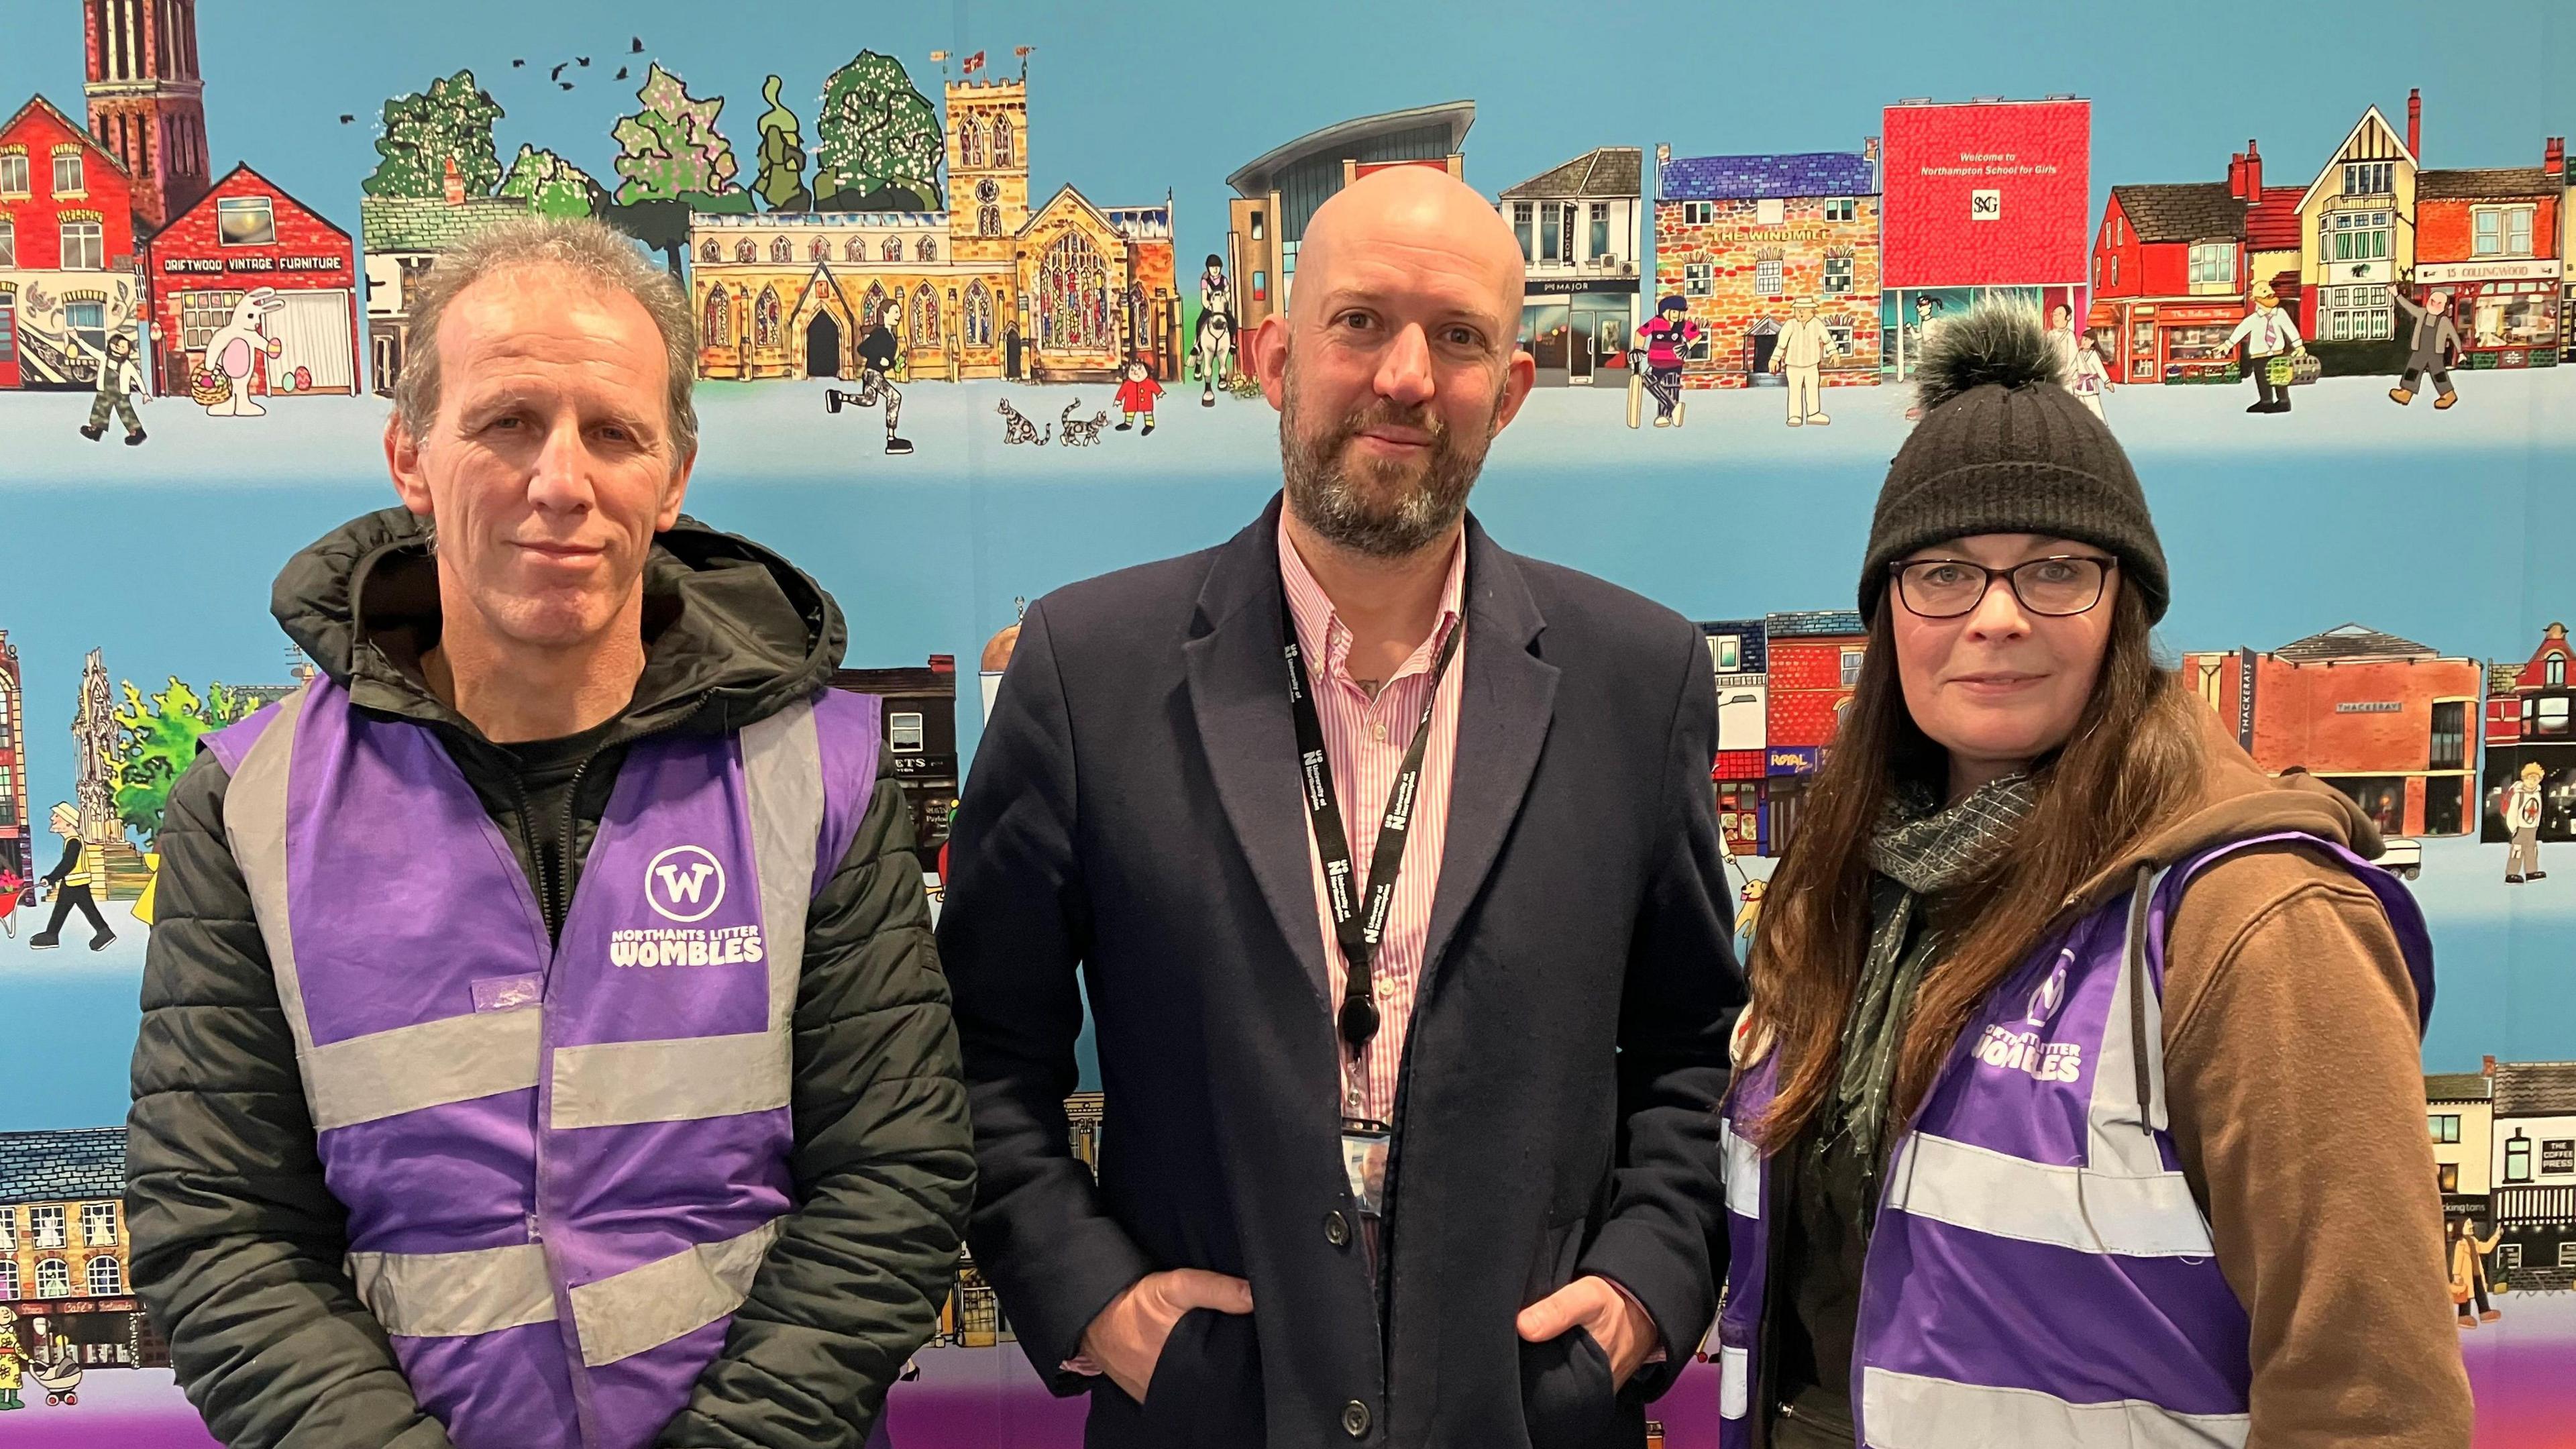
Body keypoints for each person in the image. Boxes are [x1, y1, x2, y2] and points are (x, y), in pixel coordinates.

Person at [124, 216, 973, 1449]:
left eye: (613, 433)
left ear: (673, 474)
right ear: (409, 455)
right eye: (507, 422)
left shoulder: (821, 772)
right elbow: (219, 1225)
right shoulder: (249, 808)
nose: (561, 481)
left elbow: (894, 1176)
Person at [943, 165, 1743, 1449]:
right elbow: (978, 1053)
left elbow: (1695, 1047)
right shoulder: (1087, 671)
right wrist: (1095, 1303)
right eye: (1360, 321)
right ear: (1272, 357)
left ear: (1513, 390)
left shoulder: (1635, 682)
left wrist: (1644, 1297)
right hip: (1211, 1413)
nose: (1407, 377)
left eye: (1461, 337)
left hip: (1526, 1410)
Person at [1713, 299, 2469, 1449]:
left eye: (2057, 571)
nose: (1998, 619)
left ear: (2123, 606)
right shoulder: (1840, 890)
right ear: (1890, 613)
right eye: (1946, 573)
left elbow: (2374, 1408)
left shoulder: (2253, 922)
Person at [825, 301, 914, 454]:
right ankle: (891, 440)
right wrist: (879, 358)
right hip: (872, 373)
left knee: (869, 400)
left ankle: (838, 397)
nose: (899, 316)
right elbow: (863, 349)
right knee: (894, 396)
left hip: (875, 373)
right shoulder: (880, 333)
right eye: (895, 312)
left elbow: (887, 362)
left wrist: (895, 364)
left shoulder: (891, 336)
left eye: (899, 313)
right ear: (884, 314)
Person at [28, 802, 114, 953]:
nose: (52, 819)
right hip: (74, 880)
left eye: (57, 816)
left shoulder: (74, 842)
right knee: (77, 908)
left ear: (68, 823)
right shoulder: (72, 841)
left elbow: (68, 864)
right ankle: (102, 932)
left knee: (72, 908)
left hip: (76, 881)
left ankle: (53, 935)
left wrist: (51, 878)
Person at [2222, 282, 2306, 414]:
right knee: (2263, 379)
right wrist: (2227, 345)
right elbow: (2241, 331)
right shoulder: (2253, 319)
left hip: (2278, 352)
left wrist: (2299, 345)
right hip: (2259, 355)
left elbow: (2290, 329)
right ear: (2255, 299)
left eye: (2270, 290)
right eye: (2264, 291)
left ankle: (2283, 401)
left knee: (2280, 376)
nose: (2270, 293)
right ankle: (2266, 401)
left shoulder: (2280, 314)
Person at [2390, 282, 2465, 410]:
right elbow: (2409, 307)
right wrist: (2397, 295)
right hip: (2420, 349)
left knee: (2438, 373)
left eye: (2439, 304)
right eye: (2432, 301)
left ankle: (2448, 395)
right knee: (2412, 370)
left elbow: (2454, 336)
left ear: (2445, 307)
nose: (2434, 305)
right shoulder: (2422, 313)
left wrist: (2460, 352)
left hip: (2435, 352)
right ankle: (2406, 392)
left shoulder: (2444, 321)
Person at [1635, 295, 1698, 427]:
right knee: (1648, 380)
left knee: (1671, 387)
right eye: (1674, 312)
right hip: (1656, 363)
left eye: (1681, 312)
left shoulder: (1684, 325)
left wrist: (1688, 345)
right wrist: (1638, 348)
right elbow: (1641, 333)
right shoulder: (1655, 322)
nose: (1677, 315)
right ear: (1664, 311)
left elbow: (1697, 336)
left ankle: (1664, 416)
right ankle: (1673, 408)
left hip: (1674, 363)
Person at [77, 328, 147, 445]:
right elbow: (91, 351)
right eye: (117, 345)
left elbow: (137, 377)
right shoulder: (105, 358)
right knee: (99, 409)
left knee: (126, 412)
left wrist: (144, 393)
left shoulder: (126, 364)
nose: (120, 348)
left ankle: (137, 432)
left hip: (121, 393)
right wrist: (78, 340)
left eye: (124, 347)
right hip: (105, 390)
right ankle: (95, 430)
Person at [1769, 298, 1833, 427]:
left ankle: (1814, 414)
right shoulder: (1790, 324)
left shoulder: (1817, 324)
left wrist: (1834, 352)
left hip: (1812, 365)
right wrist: (1775, 358)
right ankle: (1795, 416)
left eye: (1803, 310)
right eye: (1798, 310)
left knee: (1812, 389)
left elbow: (1827, 340)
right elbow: (1781, 344)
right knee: (1795, 390)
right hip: (1793, 365)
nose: (1800, 313)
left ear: (1812, 311)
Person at [2447, 1216, 2503, 1328]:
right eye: (2468, 1224)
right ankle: (2463, 1316)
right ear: (2461, 1227)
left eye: (2471, 1224)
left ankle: (2485, 1312)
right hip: (2465, 1276)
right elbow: (2458, 1259)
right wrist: (2457, 1274)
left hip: (2476, 1274)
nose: (2471, 1226)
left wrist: (2496, 1236)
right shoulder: (2461, 1244)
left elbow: (2486, 1248)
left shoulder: (2474, 1242)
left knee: (2480, 1292)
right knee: (2465, 1296)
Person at [2502, 760, 2546, 882]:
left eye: (2536, 779)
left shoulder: (2537, 794)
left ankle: (2531, 871)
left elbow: (2539, 810)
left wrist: (2536, 825)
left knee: (2531, 850)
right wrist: (2514, 829)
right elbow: (2512, 813)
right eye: (2530, 778)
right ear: (2524, 778)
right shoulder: (2519, 795)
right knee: (2517, 850)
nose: (2533, 781)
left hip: (2532, 828)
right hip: (2520, 828)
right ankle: (2512, 873)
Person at [2068, 329, 2115, 419]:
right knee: (2079, 406)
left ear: (2092, 342)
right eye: (2083, 339)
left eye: (2087, 340)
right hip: (2079, 385)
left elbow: (2100, 369)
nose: (2084, 342)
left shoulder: (2093, 355)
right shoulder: (2079, 354)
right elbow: (2074, 367)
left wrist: (2107, 382)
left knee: (2094, 406)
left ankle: (2101, 424)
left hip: (2090, 386)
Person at [1114, 358, 1165, 434]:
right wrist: (1118, 400)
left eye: (1140, 371)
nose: (1137, 373)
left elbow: (1155, 387)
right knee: (1130, 412)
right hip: (1131, 403)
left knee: (1148, 412)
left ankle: (1150, 425)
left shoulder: (1148, 382)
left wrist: (1159, 393)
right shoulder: (1128, 384)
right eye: (1133, 371)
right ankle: (1128, 424)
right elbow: (1122, 392)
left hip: (1146, 402)